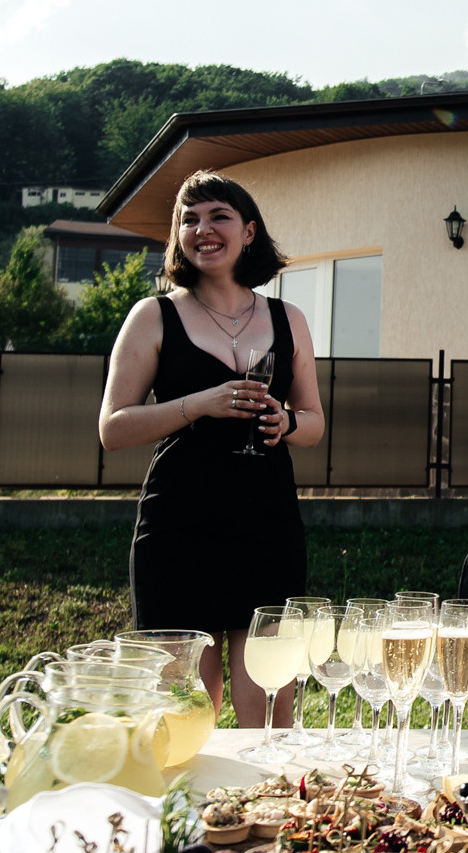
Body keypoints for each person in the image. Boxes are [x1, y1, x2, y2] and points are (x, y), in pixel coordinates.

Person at [99, 171, 321, 727]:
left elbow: (315, 423)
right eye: (189, 220)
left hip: (266, 520)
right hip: (178, 523)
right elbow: (113, 428)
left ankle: (266, 787)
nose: (203, 229)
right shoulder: (153, 315)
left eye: (218, 216)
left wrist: (287, 421)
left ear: (249, 232)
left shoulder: (288, 318)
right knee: (183, 710)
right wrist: (200, 403)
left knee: (269, 703)